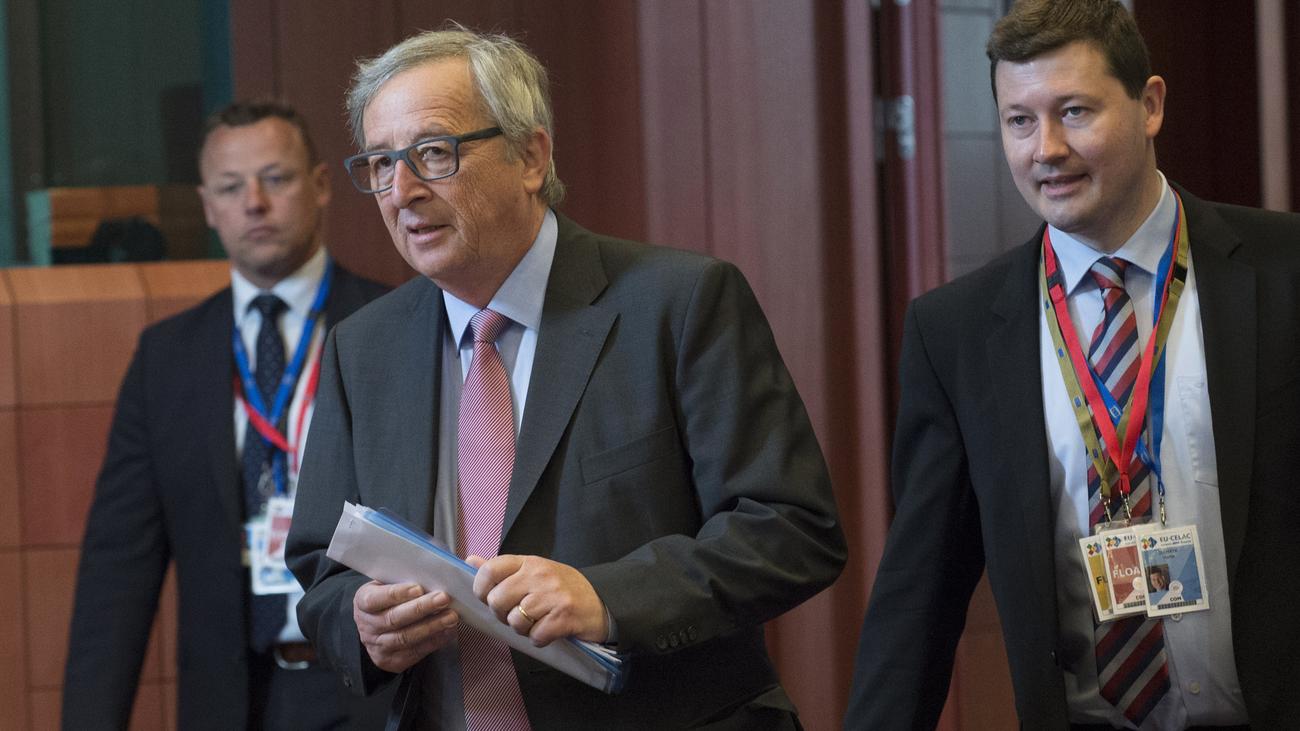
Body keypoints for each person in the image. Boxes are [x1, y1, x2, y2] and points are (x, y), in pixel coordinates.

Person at [285, 27, 846, 730]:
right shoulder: (361, 348)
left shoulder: (679, 303)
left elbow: (792, 530)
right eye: (380, 163)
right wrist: (361, 621)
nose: (402, 191)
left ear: (531, 156)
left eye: (434, 153)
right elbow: (321, 566)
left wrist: (608, 597)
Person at [846, 1, 1300, 728]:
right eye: (1019, 121)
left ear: (1150, 105)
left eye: (1074, 112)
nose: (1046, 149)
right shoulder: (957, 331)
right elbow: (919, 591)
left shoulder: (1284, 271)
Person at [63, 101, 392, 730]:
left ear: (322, 184)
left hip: (372, 692)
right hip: (232, 700)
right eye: (231, 187)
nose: (254, 204)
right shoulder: (166, 359)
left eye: (276, 178)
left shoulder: (395, 328)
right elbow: (118, 569)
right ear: (208, 206)